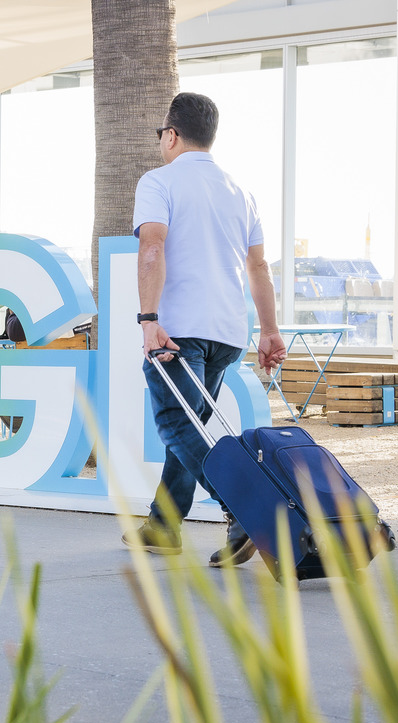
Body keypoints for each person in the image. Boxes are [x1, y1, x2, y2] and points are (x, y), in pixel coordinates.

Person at [122, 92, 287, 567]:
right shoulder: (241, 192)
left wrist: (149, 320)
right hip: (227, 334)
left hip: (179, 331)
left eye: (161, 135)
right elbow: (259, 268)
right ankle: (163, 525)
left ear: (171, 135)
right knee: (190, 423)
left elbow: (152, 247)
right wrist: (270, 330)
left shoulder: (158, 182)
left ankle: (244, 509)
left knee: (175, 422)